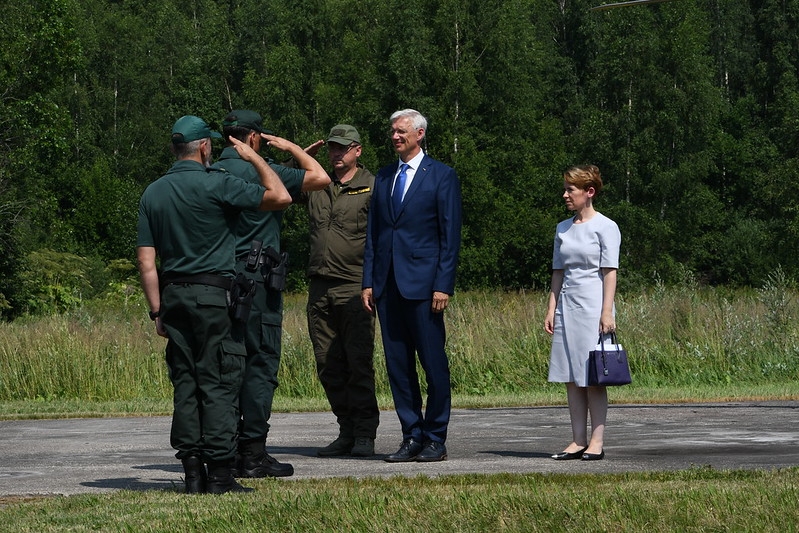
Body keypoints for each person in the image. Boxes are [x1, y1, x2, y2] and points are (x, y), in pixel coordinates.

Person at [137, 115, 291, 494]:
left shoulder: (153, 192)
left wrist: (157, 311)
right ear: (205, 146)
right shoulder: (216, 183)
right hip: (214, 297)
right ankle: (220, 474)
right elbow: (280, 196)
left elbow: (146, 261)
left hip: (174, 297)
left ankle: (192, 473)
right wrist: (255, 158)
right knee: (221, 381)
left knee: (186, 382)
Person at [213, 110, 330, 478]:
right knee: (260, 364)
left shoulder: (211, 172)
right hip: (259, 283)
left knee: (228, 365)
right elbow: (320, 177)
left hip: (221, 282)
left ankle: (225, 450)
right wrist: (294, 149)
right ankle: (253, 453)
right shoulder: (268, 171)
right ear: (253, 139)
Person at [361, 109, 462, 463]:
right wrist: (369, 281)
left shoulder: (442, 177)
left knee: (433, 365)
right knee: (398, 367)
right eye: (392, 132)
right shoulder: (386, 176)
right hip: (387, 287)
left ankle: (435, 437)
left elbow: (449, 237)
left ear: (419, 134)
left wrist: (442, 285)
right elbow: (374, 234)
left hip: (424, 288)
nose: (394, 137)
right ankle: (411, 435)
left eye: (400, 131)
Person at [300, 125, 379, 458]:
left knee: (357, 362)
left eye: (342, 148)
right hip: (320, 286)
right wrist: (305, 156)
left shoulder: (373, 187)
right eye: (332, 148)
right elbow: (280, 184)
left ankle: (364, 433)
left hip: (354, 285)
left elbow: (381, 239)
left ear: (357, 150)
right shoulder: (317, 185)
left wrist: (374, 283)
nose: (336, 153)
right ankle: (345, 430)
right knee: (327, 364)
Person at [544, 164, 621, 462]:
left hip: (593, 306)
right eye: (565, 189)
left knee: (592, 376)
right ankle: (577, 440)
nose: (565, 194)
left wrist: (606, 312)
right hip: (567, 306)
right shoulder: (562, 228)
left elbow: (610, 272)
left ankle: (596, 442)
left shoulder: (606, 226)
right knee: (571, 376)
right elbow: (557, 271)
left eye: (570, 189)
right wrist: (551, 308)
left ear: (589, 192)